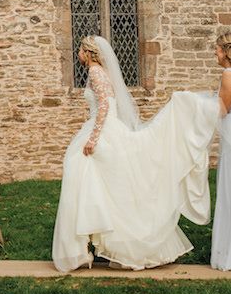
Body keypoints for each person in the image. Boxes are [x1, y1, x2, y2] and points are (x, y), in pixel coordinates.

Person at [52, 35, 225, 272]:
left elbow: (104, 106)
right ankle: (88, 245)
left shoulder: (94, 71)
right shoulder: (101, 71)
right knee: (104, 187)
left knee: (84, 177)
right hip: (104, 128)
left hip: (101, 131)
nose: (78, 54)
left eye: (80, 50)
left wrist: (93, 139)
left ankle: (83, 248)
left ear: (88, 52)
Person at [210, 31, 231, 270]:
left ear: (225, 52)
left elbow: (222, 109)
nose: (214, 53)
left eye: (216, 49)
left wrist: (194, 105)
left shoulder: (227, 74)